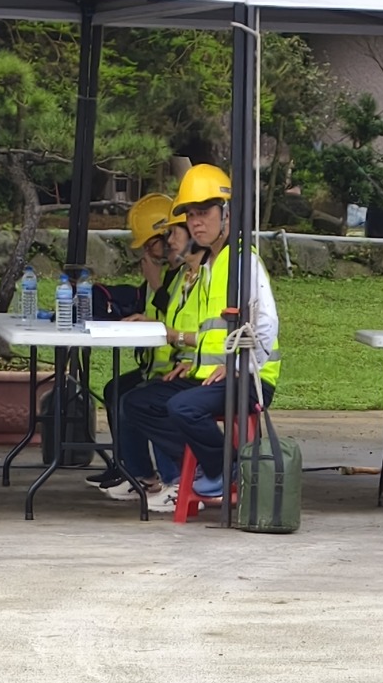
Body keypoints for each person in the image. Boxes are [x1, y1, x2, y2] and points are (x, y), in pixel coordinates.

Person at [120, 165, 281, 515]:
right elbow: (214, 332)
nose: (195, 223)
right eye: (191, 215)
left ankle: (228, 467)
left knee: (183, 407)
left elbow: (266, 325)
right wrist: (190, 362)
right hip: (208, 375)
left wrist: (236, 366)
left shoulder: (242, 261)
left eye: (204, 213)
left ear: (226, 214)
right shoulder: (208, 266)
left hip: (249, 378)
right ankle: (206, 468)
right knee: (137, 401)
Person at [89, 194, 185, 499]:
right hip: (159, 363)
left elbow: (177, 316)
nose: (150, 250)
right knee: (115, 389)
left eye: (152, 242)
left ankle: (163, 479)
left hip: (180, 366)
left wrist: (155, 284)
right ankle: (135, 471)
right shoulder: (169, 273)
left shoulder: (181, 274)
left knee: (137, 399)